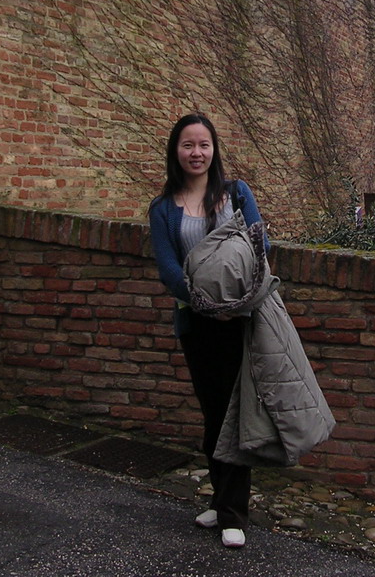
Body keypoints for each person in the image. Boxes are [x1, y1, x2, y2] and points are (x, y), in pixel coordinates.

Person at [147, 113, 268, 550]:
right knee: (214, 415)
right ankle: (221, 501)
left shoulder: (236, 194)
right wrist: (204, 304)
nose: (196, 153)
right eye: (187, 145)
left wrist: (231, 304)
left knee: (237, 417)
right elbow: (166, 267)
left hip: (239, 323)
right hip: (197, 325)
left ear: (214, 149)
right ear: (175, 151)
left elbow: (260, 247)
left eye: (203, 145)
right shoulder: (163, 208)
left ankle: (234, 513)